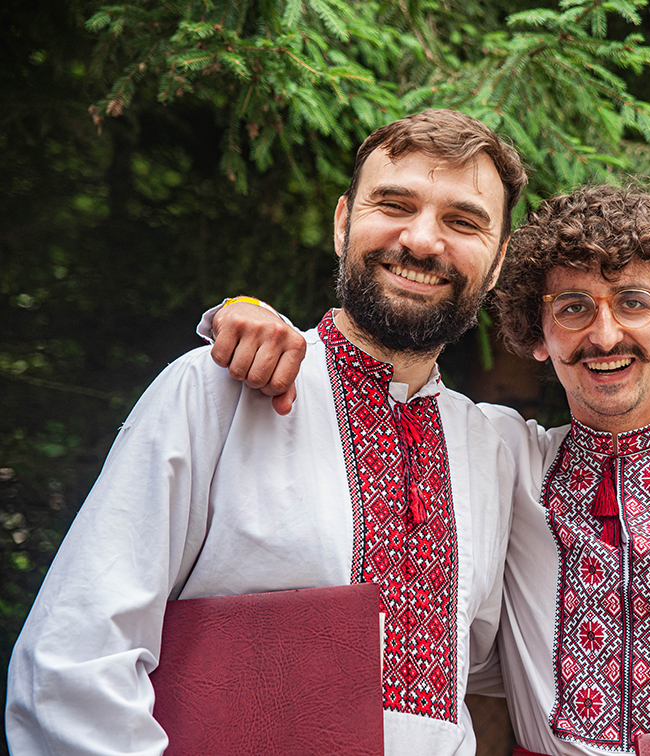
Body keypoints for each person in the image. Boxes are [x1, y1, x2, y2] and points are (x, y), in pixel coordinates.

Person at [186, 185, 650, 755]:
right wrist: (242, 313)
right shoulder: (498, 459)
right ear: (538, 335)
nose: (605, 335)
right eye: (573, 308)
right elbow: (381, 382)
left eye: (634, 303)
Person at [6, 109, 528, 756]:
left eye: (463, 221)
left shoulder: (493, 451)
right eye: (394, 204)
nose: (422, 241)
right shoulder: (216, 390)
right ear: (342, 223)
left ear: (498, 262)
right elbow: (74, 659)